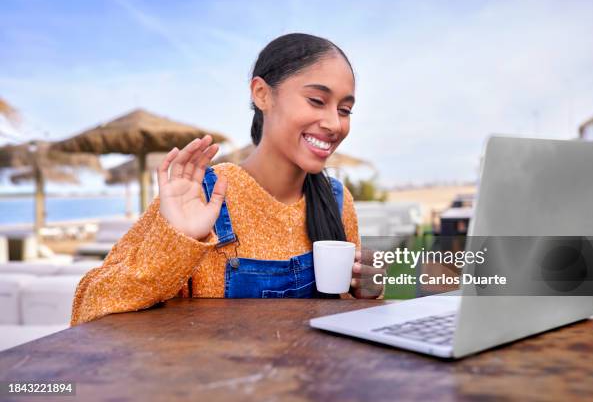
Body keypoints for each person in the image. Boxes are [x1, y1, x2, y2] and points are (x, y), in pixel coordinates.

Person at [71, 33, 382, 326]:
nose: (334, 124)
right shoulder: (203, 194)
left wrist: (365, 294)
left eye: (345, 110)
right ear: (262, 94)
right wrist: (176, 244)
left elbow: (338, 323)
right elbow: (89, 309)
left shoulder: (337, 200)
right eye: (316, 100)